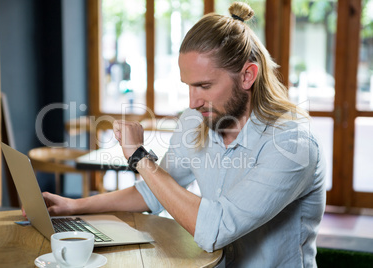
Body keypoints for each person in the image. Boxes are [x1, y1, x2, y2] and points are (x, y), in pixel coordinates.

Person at [38, 2, 326, 267]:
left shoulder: (292, 144)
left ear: (248, 76)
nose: (193, 102)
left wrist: (139, 157)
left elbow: (214, 230)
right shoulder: (196, 121)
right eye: (188, 86)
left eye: (204, 85)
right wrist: (73, 206)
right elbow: (157, 191)